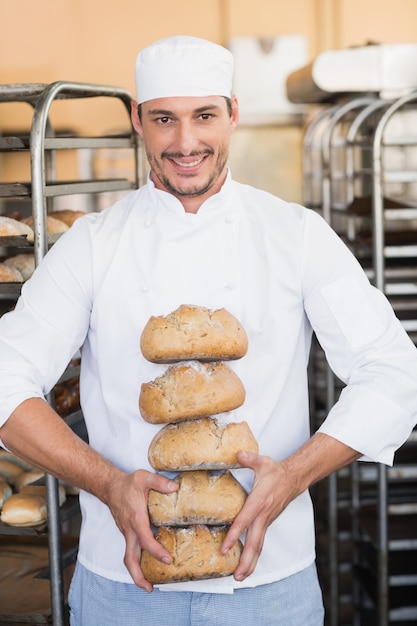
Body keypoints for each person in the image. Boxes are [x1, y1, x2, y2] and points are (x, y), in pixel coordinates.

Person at [0, 35, 416, 626]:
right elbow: (4, 376)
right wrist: (108, 484)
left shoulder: (295, 235)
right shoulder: (93, 246)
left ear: (234, 114)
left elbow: (393, 370)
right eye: (164, 119)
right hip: (123, 585)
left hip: (271, 580)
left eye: (204, 116)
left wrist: (293, 476)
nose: (185, 141)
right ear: (139, 123)